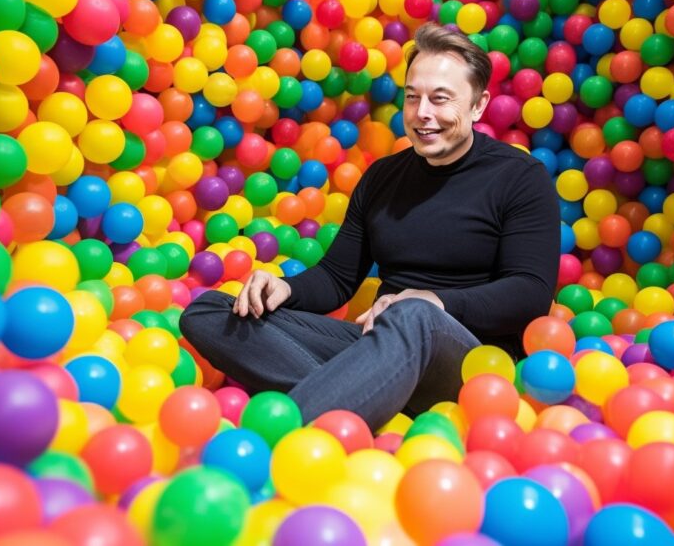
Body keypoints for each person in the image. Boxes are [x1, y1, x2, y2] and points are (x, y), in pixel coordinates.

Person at [180, 23, 559, 432]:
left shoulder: (520, 177)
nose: (423, 114)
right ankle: (370, 393)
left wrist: (434, 301)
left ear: (478, 105)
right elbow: (337, 277)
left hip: (468, 360)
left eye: (440, 99)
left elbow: (530, 293)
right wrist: (286, 288)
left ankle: (290, 434)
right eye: (412, 98)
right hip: (380, 344)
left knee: (412, 315)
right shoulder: (383, 176)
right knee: (212, 310)